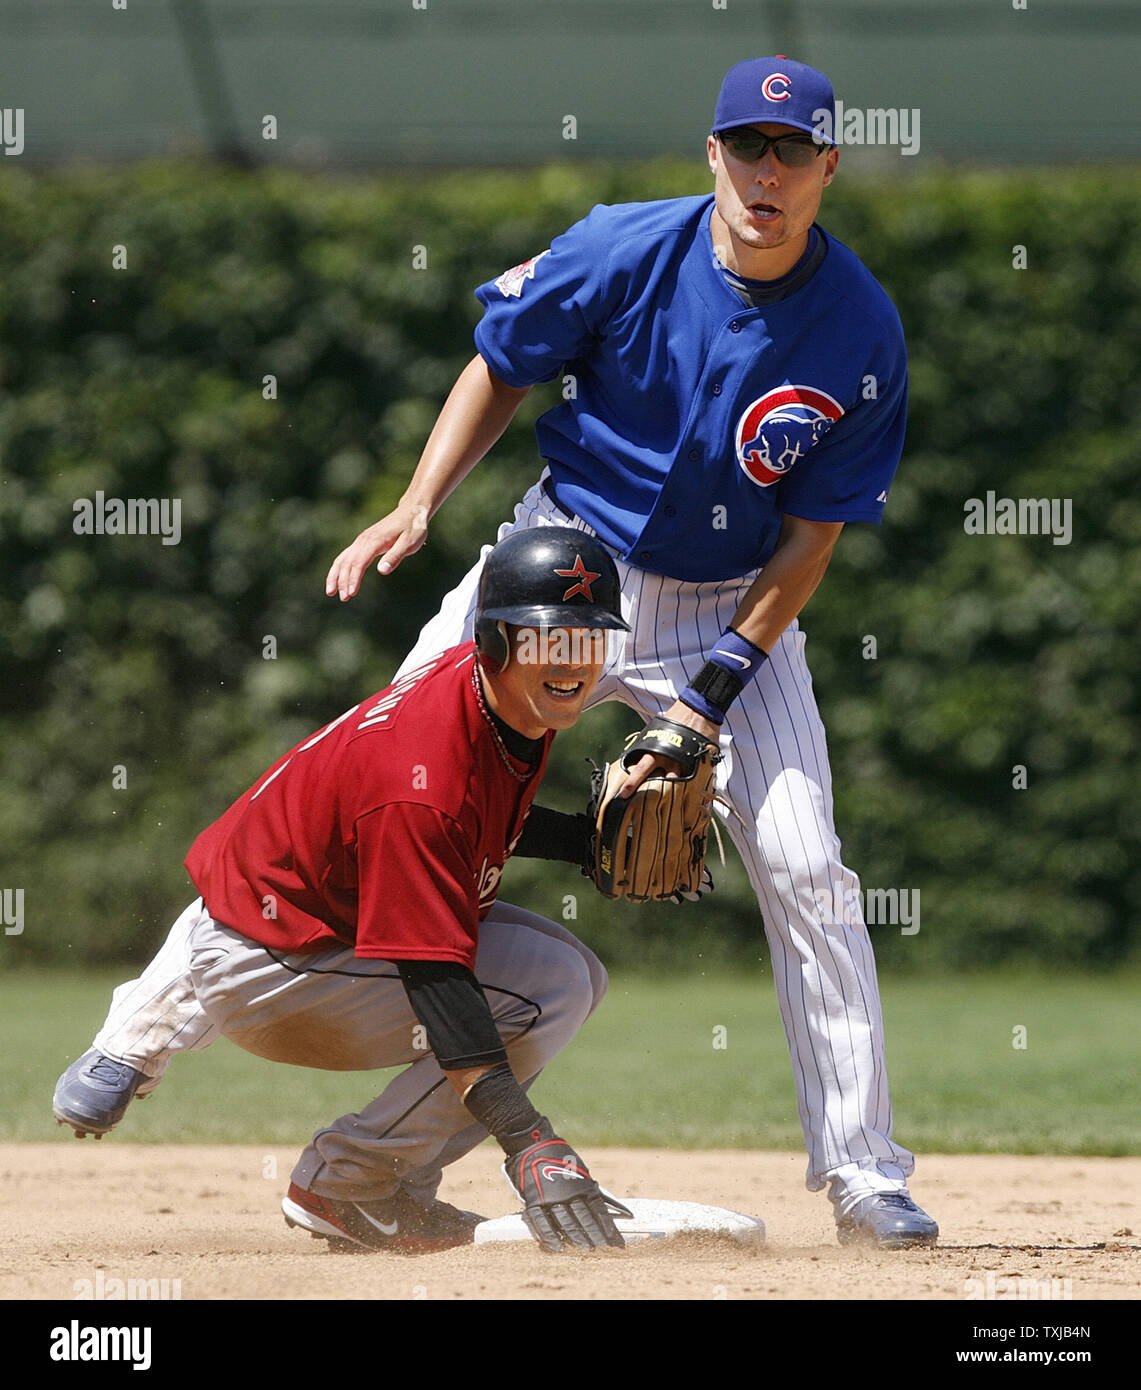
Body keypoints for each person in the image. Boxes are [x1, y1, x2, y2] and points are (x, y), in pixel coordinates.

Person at [56, 55, 937, 1249]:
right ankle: (142, 1020)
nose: (764, 171)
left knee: (808, 868)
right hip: (560, 561)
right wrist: (421, 502)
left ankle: (863, 1173)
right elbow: (501, 364)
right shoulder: (622, 247)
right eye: (745, 145)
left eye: (790, 151)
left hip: (734, 604)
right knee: (378, 753)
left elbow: (812, 535)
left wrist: (709, 697)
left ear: (828, 166)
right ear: (711, 154)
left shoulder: (861, 330)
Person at [54, 528, 634, 1254]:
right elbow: (438, 981)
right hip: (270, 967)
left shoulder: (497, 695)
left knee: (572, 973)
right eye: (550, 638)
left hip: (305, 926)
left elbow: (472, 817)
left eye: (588, 640)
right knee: (543, 994)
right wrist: (529, 1143)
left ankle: (391, 1192)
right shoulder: (421, 780)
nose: (571, 661)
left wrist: (581, 842)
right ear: (494, 640)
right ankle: (350, 1184)